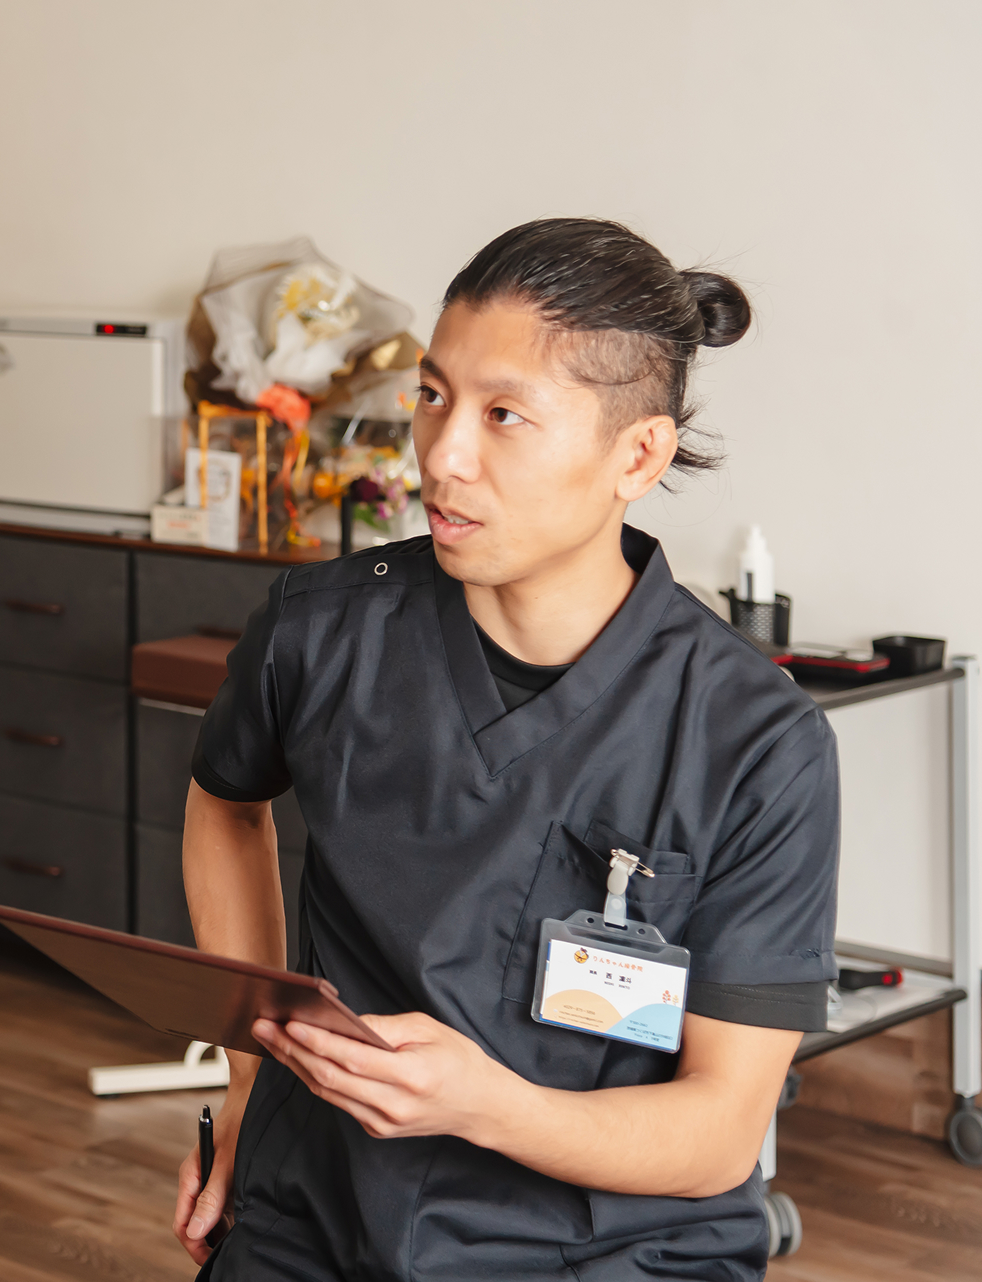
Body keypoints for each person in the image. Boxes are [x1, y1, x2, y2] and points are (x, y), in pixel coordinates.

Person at [173, 219, 837, 1281]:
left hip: (608, 1248)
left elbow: (718, 1134)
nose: (442, 456)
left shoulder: (754, 740)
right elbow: (224, 799)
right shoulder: (323, 630)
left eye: (504, 415)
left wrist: (488, 1105)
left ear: (639, 454)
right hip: (318, 1209)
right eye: (432, 395)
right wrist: (251, 1071)